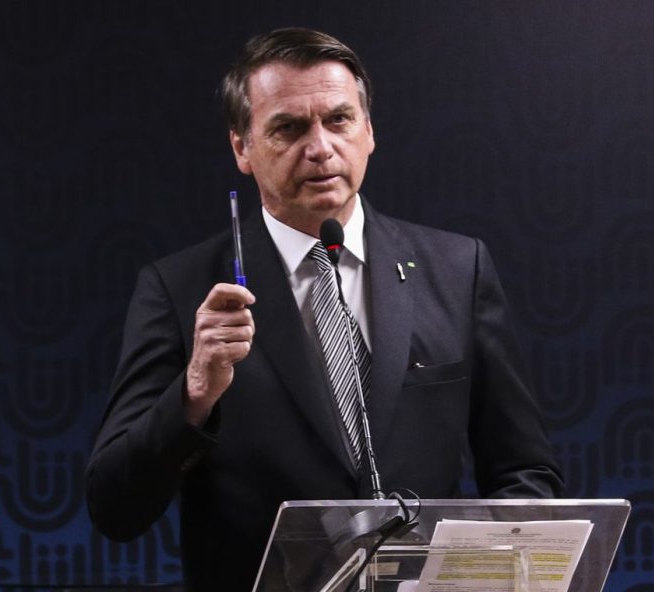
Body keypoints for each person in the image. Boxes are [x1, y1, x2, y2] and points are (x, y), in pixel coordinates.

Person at [86, 27, 564, 591]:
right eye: (288, 128)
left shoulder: (460, 269)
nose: (319, 147)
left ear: (369, 131)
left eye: (338, 120)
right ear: (242, 147)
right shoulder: (178, 289)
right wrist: (194, 394)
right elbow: (114, 507)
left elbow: (525, 473)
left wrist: (474, 572)